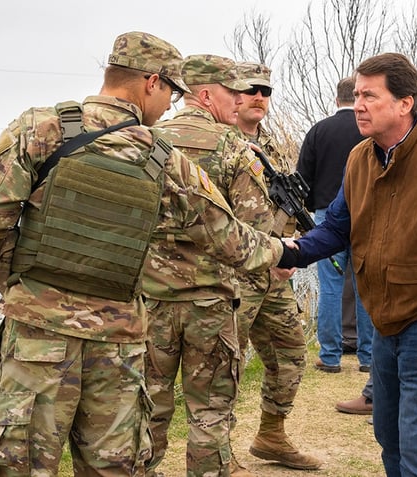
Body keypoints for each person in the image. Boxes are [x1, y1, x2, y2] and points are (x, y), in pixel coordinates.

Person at [0, 31, 290, 476]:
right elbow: (230, 238)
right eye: (170, 92)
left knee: (21, 463)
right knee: (114, 467)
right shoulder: (161, 157)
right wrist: (287, 250)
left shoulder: (40, 128)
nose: (170, 105)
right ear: (151, 82)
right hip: (119, 343)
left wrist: (18, 277)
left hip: (38, 335)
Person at [276, 52, 417, 477]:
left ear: (404, 102)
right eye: (357, 94)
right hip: (382, 320)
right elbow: (337, 227)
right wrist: (292, 252)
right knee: (388, 438)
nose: (358, 104)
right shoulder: (360, 158)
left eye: (370, 96)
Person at [143, 54, 280, 476]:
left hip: (151, 302)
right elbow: (256, 228)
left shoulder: (146, 139)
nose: (240, 103)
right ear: (205, 94)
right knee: (210, 411)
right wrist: (279, 254)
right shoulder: (234, 147)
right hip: (211, 303)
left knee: (147, 407)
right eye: (232, 94)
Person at [231, 61, 322, 472]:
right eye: (251, 89)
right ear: (230, 93)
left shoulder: (270, 148)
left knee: (290, 351)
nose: (259, 98)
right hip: (227, 277)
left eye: (266, 91)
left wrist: (290, 251)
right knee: (222, 366)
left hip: (270, 275)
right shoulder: (216, 144)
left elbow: (285, 206)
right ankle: (215, 452)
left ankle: (271, 435)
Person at [296, 76, 373, 375]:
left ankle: (330, 356)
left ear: (336, 98)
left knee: (329, 286)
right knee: (366, 285)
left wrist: (314, 205)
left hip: (328, 214)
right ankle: (368, 357)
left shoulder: (319, 130)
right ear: (356, 98)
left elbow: (302, 178)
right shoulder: (369, 129)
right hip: (367, 211)